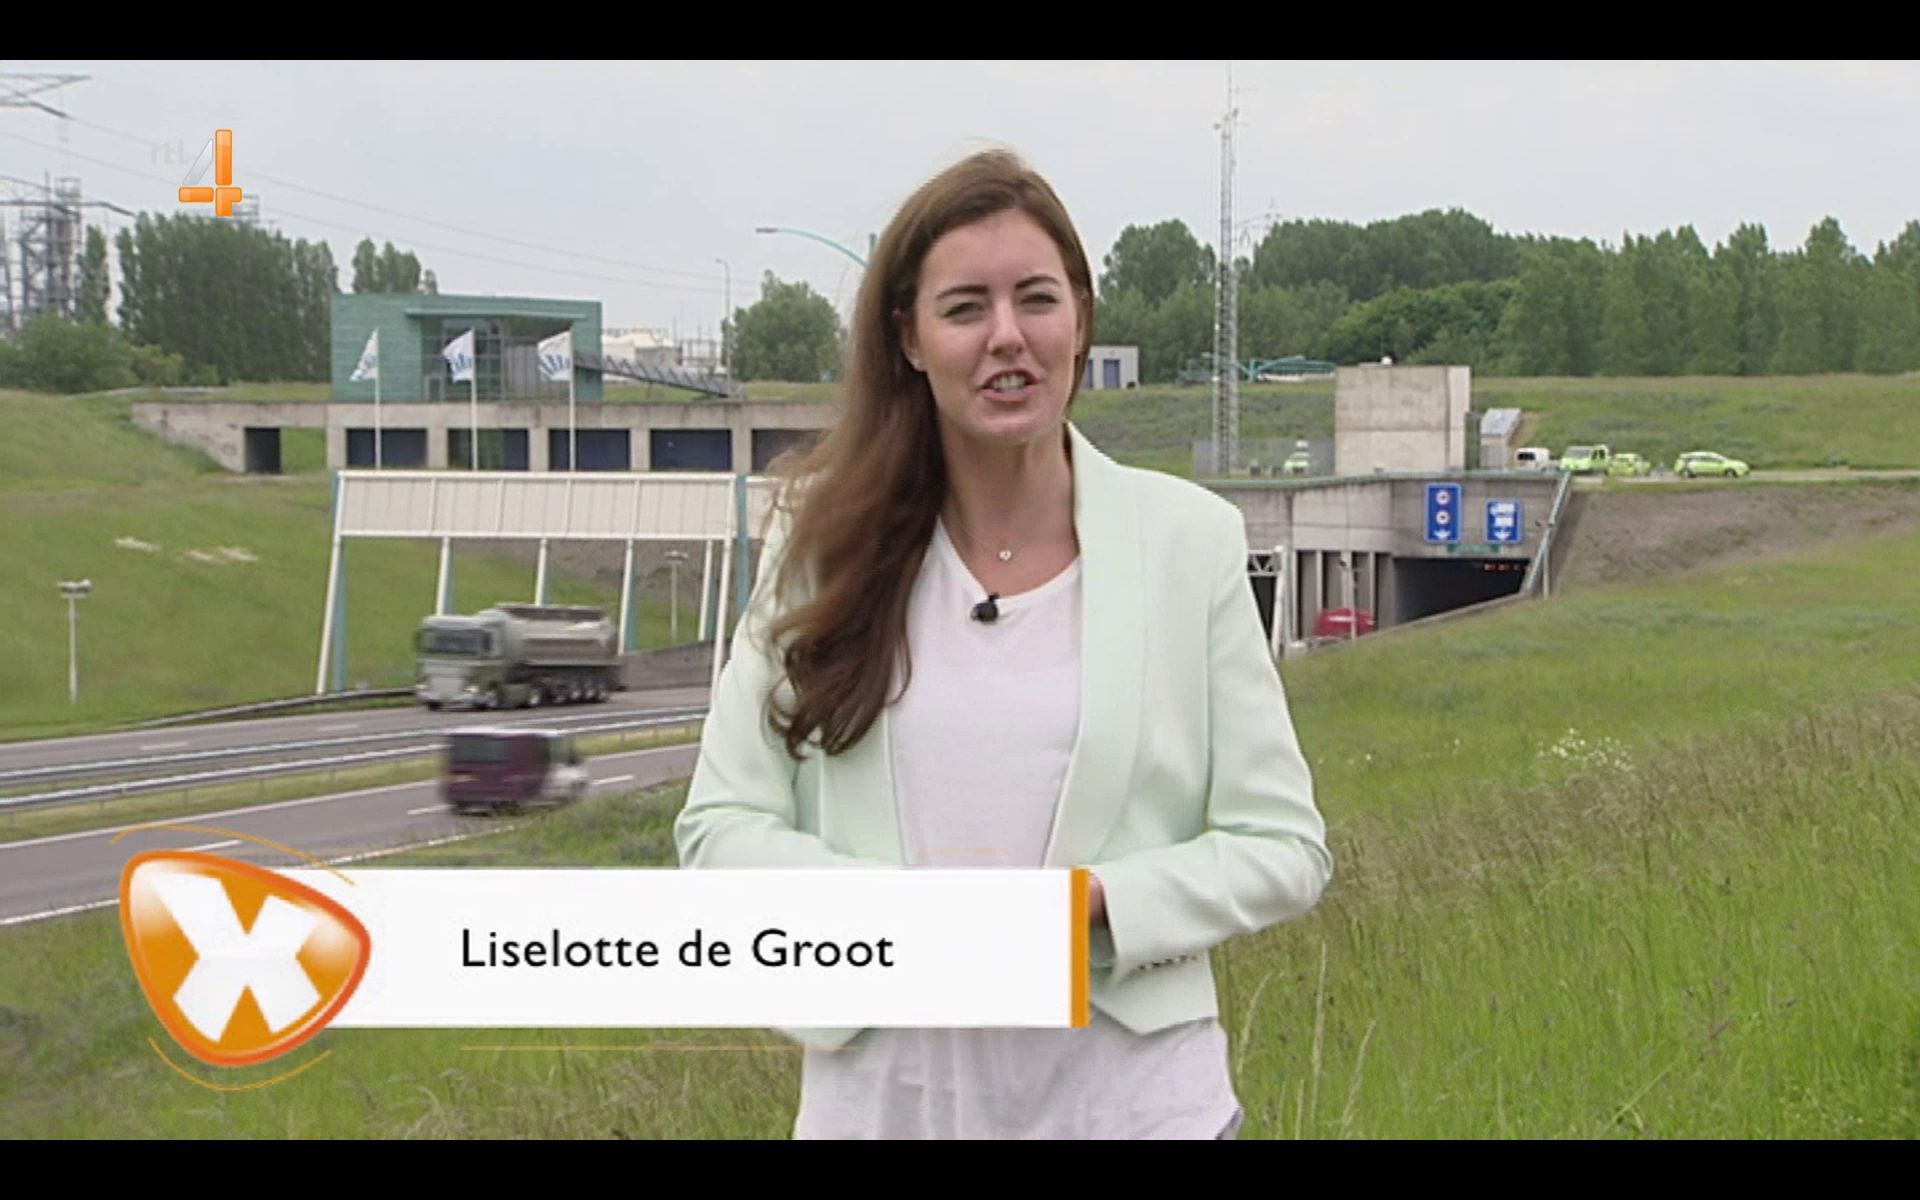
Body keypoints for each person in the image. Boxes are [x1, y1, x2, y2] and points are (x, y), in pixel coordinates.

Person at [673, 149, 1331, 1139]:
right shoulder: (818, 545)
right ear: (909, 337)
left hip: (1141, 1112)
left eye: (1036, 299)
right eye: (966, 308)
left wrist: (1095, 904)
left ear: (1081, 319)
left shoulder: (1189, 542)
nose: (1007, 337)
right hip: (880, 1112)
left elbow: (1283, 847)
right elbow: (719, 830)